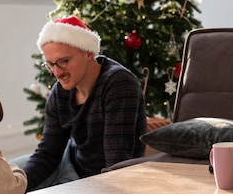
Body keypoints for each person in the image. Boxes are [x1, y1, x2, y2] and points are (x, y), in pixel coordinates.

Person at [14, 16, 147, 191]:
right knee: (5, 175)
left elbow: (117, 164)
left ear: (88, 52)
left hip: (99, 177)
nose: (57, 73)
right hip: (69, 161)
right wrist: (13, 187)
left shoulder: (118, 84)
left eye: (63, 61)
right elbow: (48, 153)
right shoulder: (60, 91)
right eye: (51, 65)